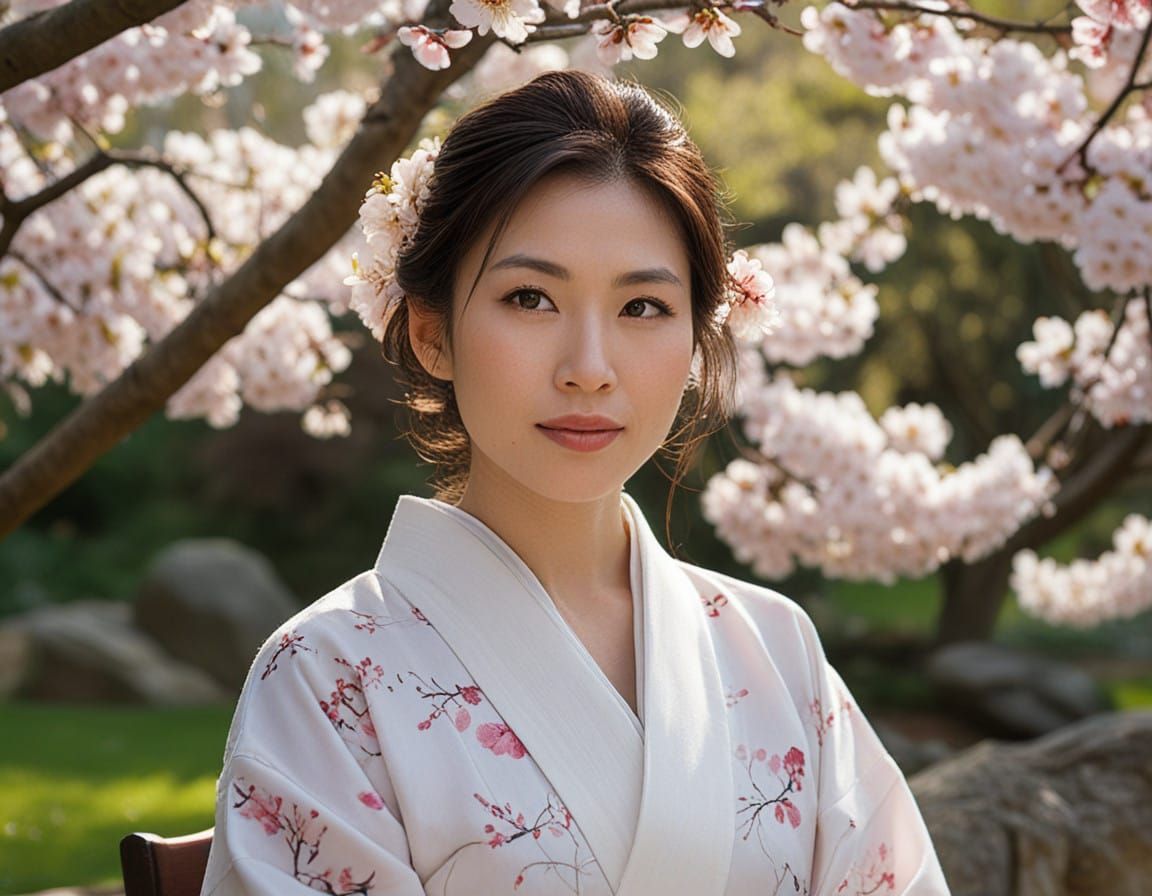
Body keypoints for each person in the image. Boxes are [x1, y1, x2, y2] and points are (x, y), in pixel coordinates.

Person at [199, 70, 951, 895]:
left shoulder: (773, 650)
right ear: (431, 332)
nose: (589, 370)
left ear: (697, 341)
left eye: (642, 309)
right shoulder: (325, 676)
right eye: (531, 298)